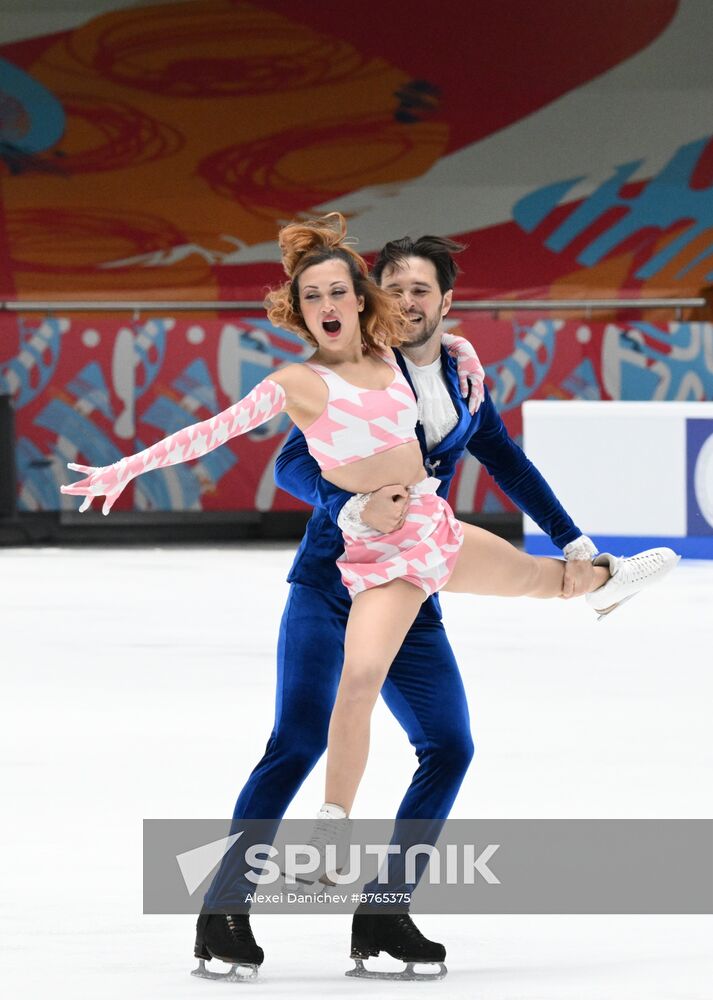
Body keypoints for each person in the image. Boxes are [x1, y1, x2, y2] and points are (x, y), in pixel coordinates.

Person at [61, 214, 678, 981]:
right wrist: (344, 508)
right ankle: (224, 906)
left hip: (423, 559)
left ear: (438, 302)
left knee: (448, 744)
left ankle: (383, 912)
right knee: (301, 737)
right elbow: (280, 458)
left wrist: (574, 538)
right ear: (366, 297)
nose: (406, 299)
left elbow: (505, 460)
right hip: (335, 573)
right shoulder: (316, 379)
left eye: (420, 288)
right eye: (397, 287)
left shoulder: (451, 371)